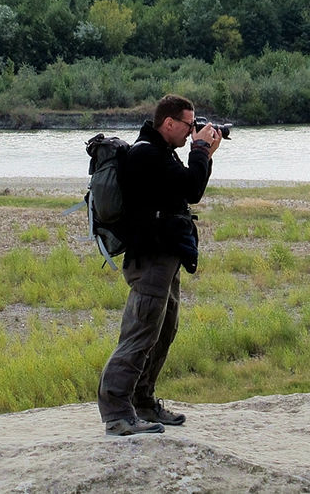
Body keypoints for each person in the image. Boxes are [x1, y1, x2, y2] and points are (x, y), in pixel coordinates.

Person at [98, 94, 222, 436]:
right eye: (188, 124)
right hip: (150, 257)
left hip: (166, 255)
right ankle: (117, 413)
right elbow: (192, 189)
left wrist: (204, 154)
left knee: (163, 331)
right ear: (168, 123)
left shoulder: (161, 154)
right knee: (139, 333)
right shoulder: (146, 154)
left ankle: (143, 401)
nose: (192, 131)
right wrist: (198, 151)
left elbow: (187, 188)